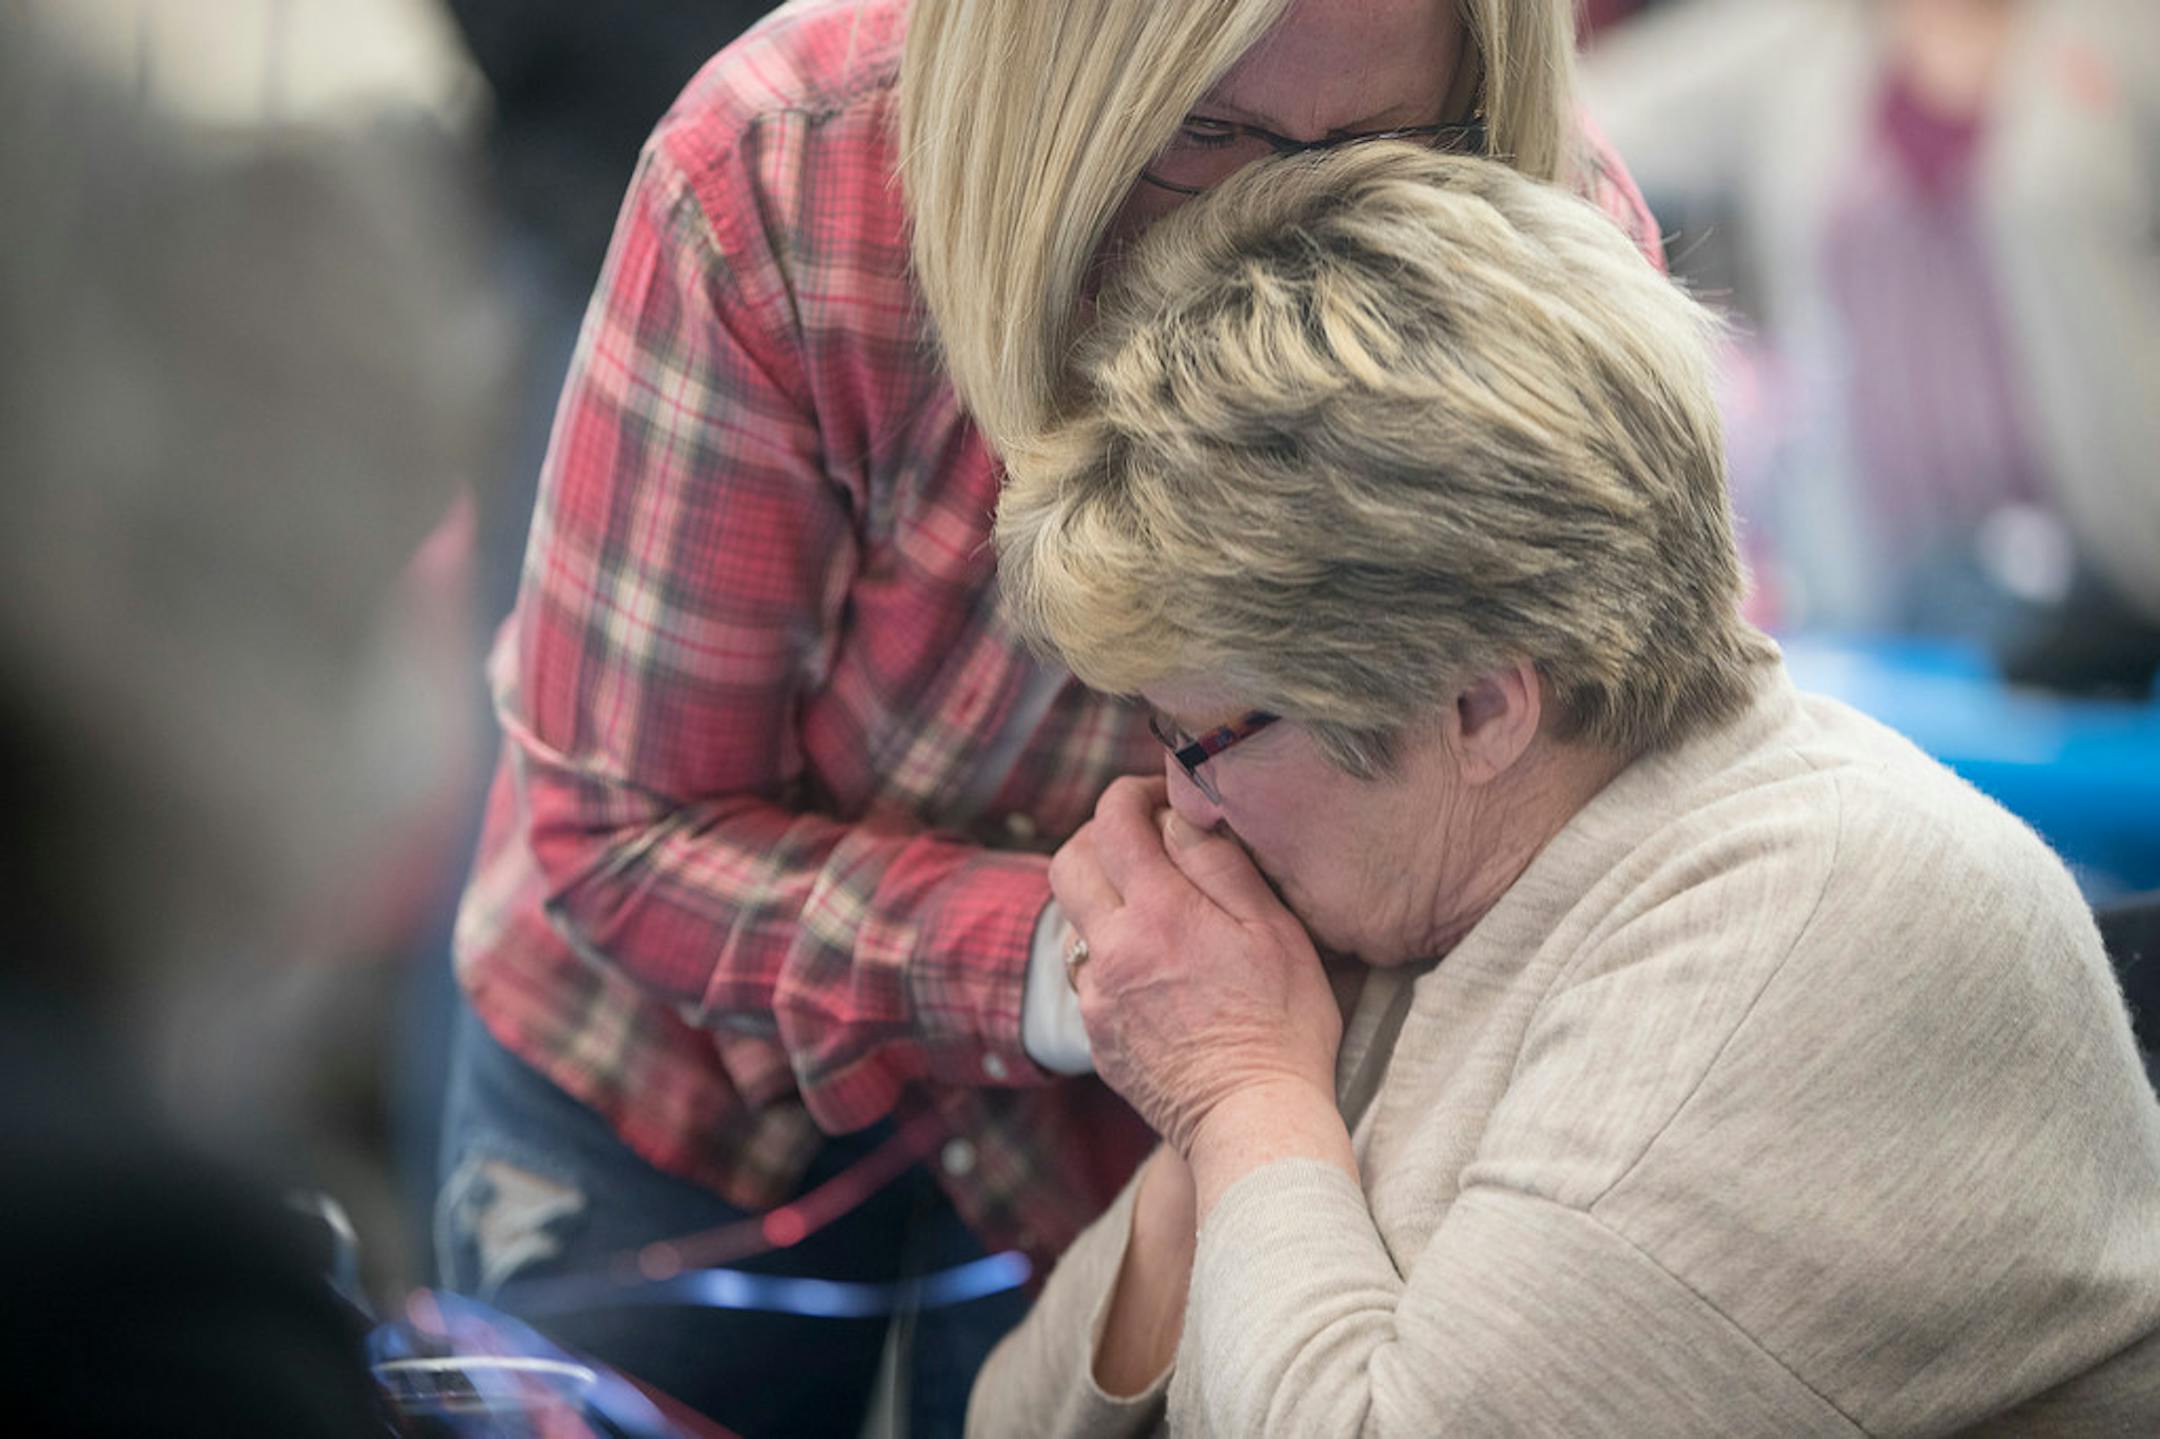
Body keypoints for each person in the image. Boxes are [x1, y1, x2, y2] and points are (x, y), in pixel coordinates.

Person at [437, 0, 1664, 1432]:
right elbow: (624, 830)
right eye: (1213, 138)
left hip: (1148, 1128)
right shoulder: (783, 177)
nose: (1286, 232)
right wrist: (1078, 960)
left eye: (1383, 149)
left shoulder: (1547, 251)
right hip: (675, 1069)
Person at [968, 144, 2160, 1435]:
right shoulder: (1447, 861)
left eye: (1201, 735)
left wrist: (1238, 1088)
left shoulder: (1820, 921)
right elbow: (1012, 1415)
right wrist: (1213, 1121)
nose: (1179, 807)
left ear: (1480, 704)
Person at [1581, 0, 2160, 681]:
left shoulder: (2120, 34)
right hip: (1875, 601)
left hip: (2122, 577)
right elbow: (1582, 117)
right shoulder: (1802, 43)